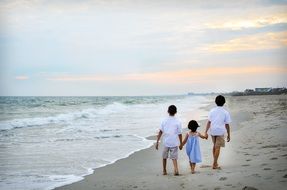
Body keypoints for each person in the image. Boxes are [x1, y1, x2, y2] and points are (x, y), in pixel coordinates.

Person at [204, 95, 231, 169]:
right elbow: (227, 124)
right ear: (224, 102)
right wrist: (229, 134)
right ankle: (214, 163)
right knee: (217, 148)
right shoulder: (225, 112)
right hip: (220, 131)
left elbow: (209, 122)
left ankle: (215, 162)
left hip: (212, 131)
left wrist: (205, 132)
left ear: (215, 102)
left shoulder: (212, 111)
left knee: (215, 146)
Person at [155, 105, 182, 176]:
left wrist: (157, 142)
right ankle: (176, 169)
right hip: (174, 142)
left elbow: (160, 131)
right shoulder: (178, 121)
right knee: (174, 158)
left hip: (166, 142)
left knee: (164, 157)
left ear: (168, 111)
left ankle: (164, 170)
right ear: (176, 112)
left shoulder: (164, 120)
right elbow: (179, 133)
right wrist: (181, 143)